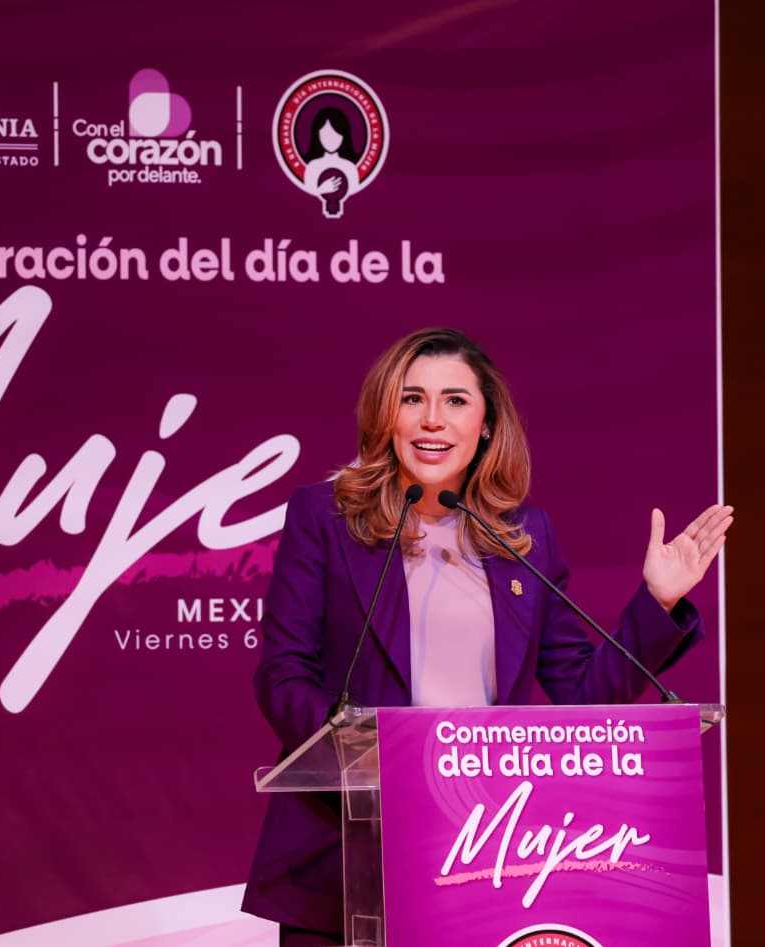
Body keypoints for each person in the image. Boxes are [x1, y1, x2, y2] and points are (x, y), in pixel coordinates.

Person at [240, 328, 732, 946]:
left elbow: (582, 694)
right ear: (387, 415)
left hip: (478, 853)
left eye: (455, 400)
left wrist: (657, 601)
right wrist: (370, 760)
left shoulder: (524, 536)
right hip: (346, 852)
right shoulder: (327, 517)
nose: (432, 419)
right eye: (412, 398)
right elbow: (284, 674)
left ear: (487, 425)